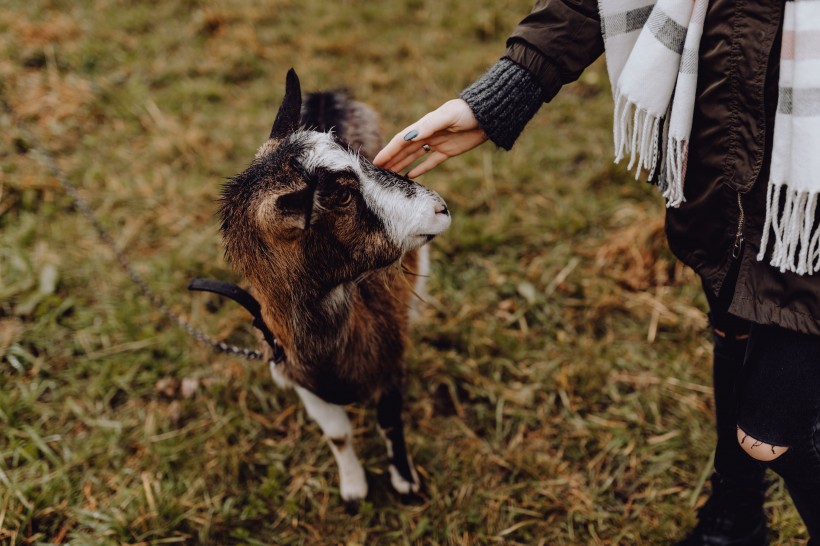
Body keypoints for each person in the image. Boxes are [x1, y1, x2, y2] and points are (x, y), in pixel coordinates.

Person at [373, 1, 820, 544]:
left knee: (776, 434)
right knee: (734, 325)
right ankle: (735, 517)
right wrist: (512, 86)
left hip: (807, 194)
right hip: (720, 148)